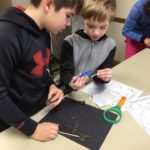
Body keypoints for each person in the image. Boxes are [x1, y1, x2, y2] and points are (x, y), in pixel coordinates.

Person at [0, 0, 83, 142]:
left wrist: (50, 85)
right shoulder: (6, 35)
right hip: (15, 124)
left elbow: (41, 69)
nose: (69, 23)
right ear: (48, 4)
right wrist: (32, 129)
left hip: (40, 112)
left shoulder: (43, 32)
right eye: (68, 15)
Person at [60, 0, 116, 91]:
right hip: (68, 89)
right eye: (91, 26)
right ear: (83, 20)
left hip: (91, 90)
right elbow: (65, 73)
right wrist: (71, 82)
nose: (96, 33)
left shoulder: (111, 45)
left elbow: (101, 75)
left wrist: (105, 78)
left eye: (103, 27)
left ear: (109, 23)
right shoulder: (70, 41)